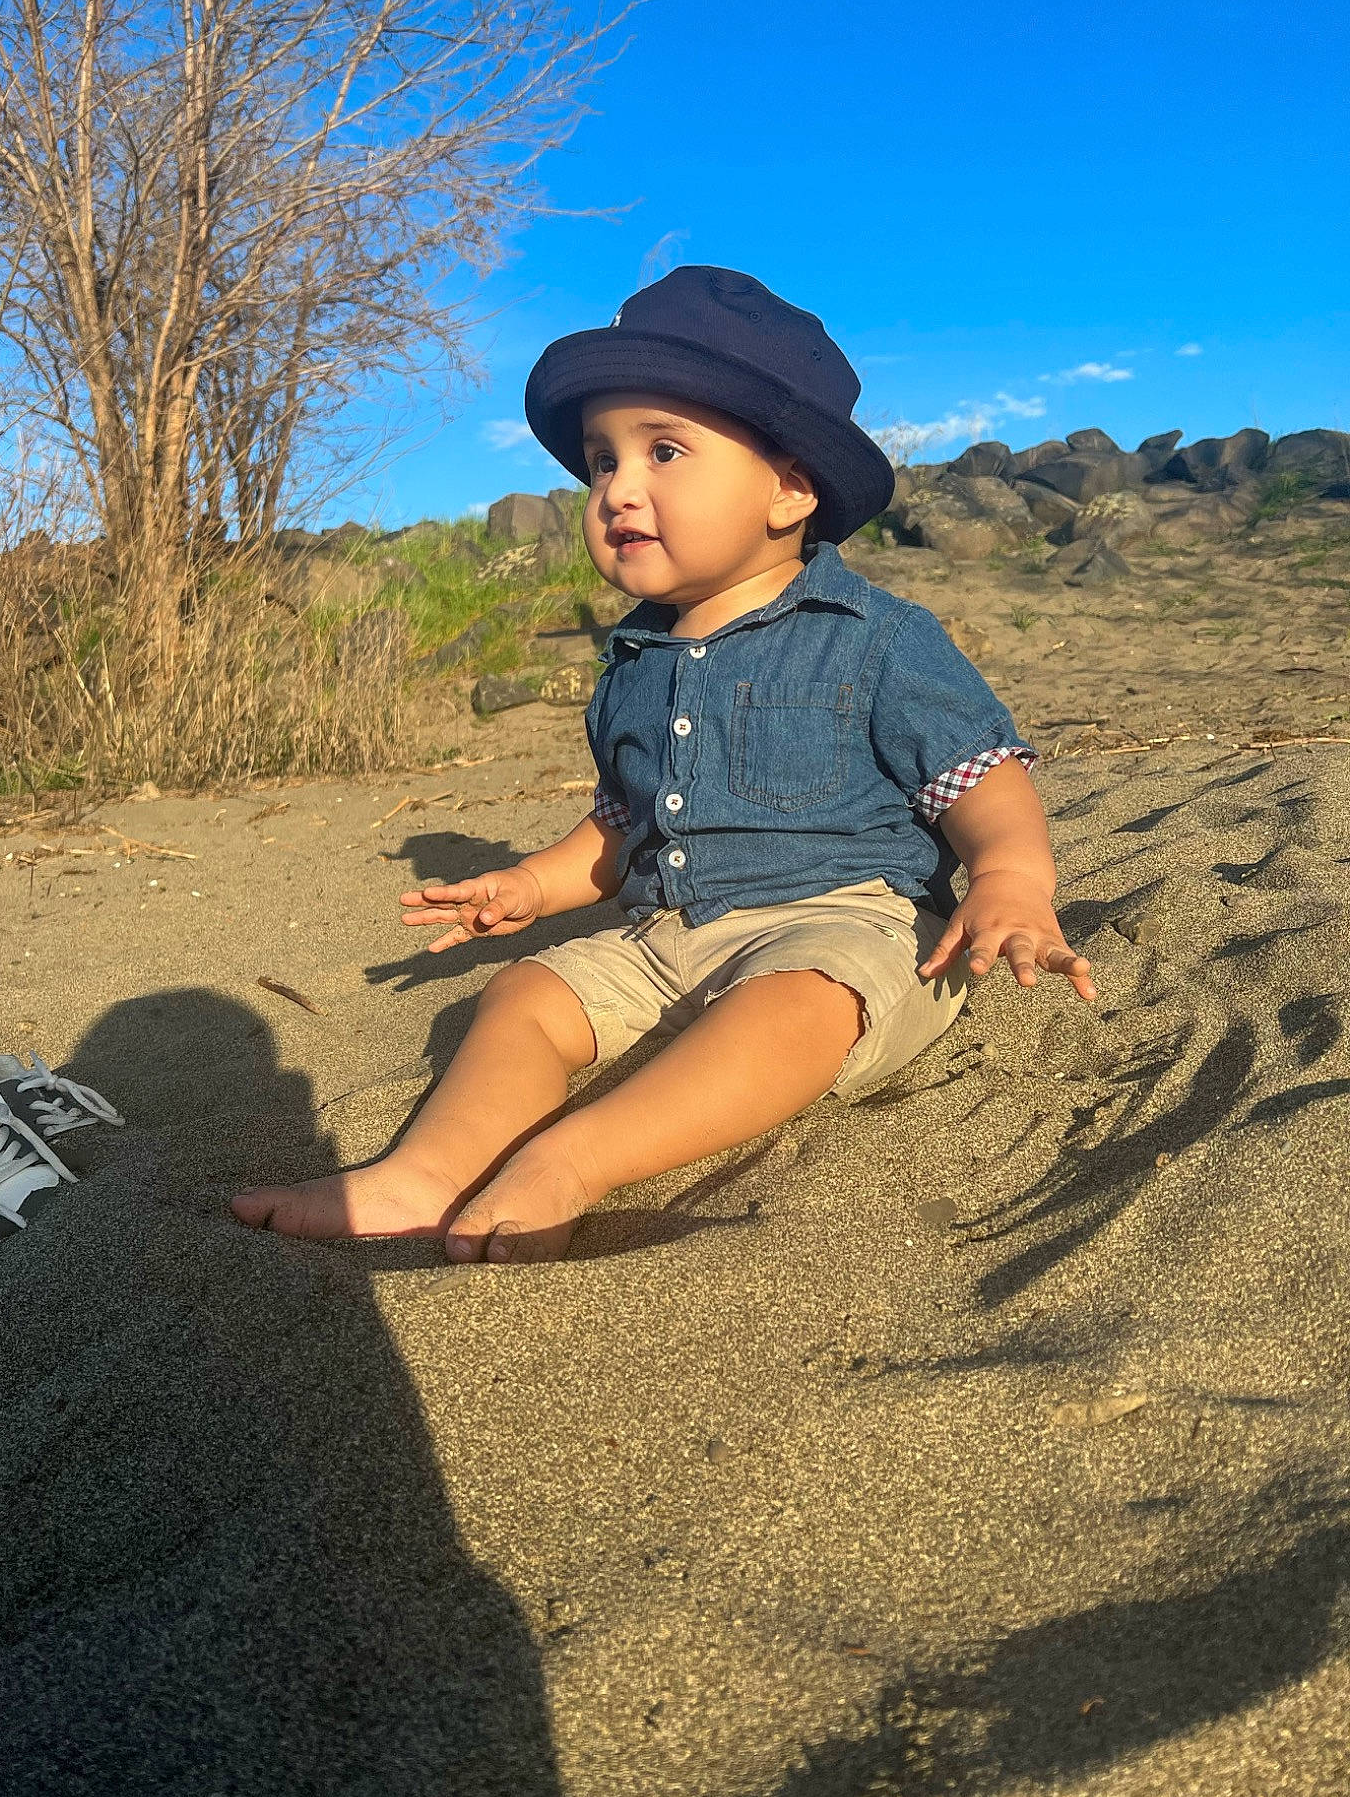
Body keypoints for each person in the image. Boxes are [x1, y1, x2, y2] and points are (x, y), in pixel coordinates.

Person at [232, 266, 1097, 1264]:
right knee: (523, 997)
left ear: (790, 487)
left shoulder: (876, 637)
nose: (618, 488)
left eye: (665, 450)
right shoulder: (636, 661)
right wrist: (532, 884)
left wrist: (1012, 883)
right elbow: (620, 823)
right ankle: (428, 1166)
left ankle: (576, 1158)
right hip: (668, 933)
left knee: (797, 1005)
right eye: (602, 461)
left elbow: (977, 774)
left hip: (847, 925)